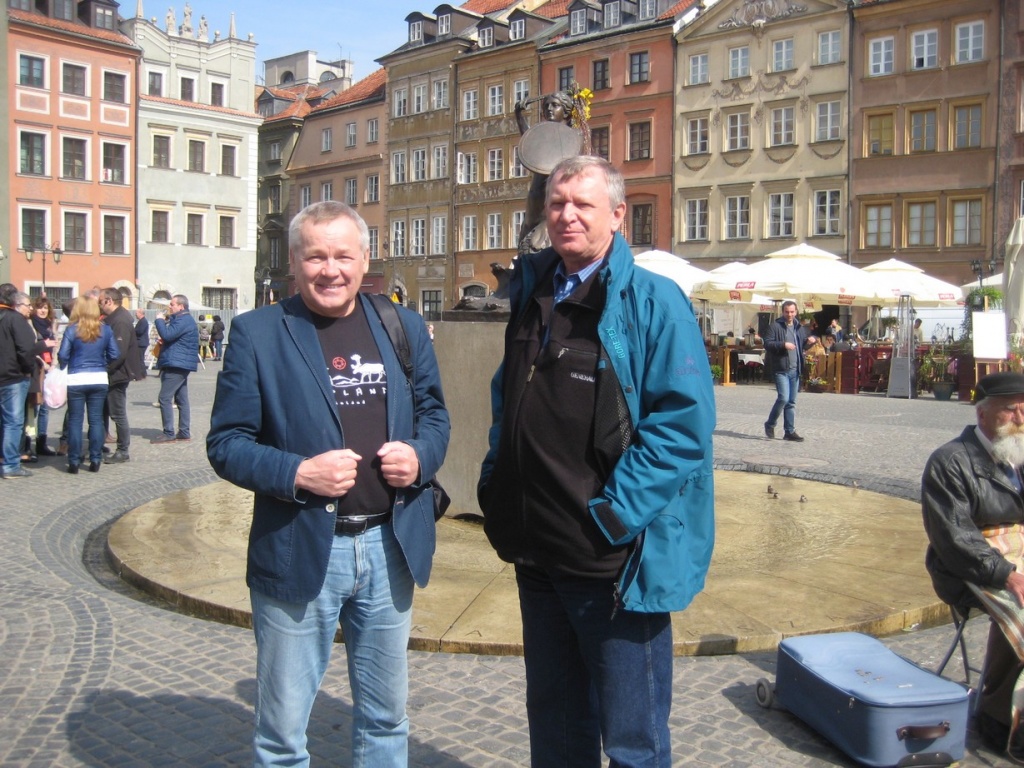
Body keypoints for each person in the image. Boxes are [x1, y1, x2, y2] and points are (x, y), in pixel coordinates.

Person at [478, 156, 715, 767]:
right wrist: (496, 483)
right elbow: (510, 398)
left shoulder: (653, 301)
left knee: (634, 738)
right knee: (556, 727)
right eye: (557, 204)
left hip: (611, 561)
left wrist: (612, 517)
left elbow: (682, 429)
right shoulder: (533, 288)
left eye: (583, 204)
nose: (567, 215)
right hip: (537, 549)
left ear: (616, 215)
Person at [207, 200, 450, 767]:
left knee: (387, 719)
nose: (330, 269)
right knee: (283, 732)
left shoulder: (402, 325)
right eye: (316, 256)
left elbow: (436, 416)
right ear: (294, 262)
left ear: (365, 260)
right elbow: (226, 444)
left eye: (344, 255)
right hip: (300, 545)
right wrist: (297, 472)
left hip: (390, 546)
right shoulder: (258, 332)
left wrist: (419, 458)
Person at [922, 371, 1024, 762]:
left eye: (1023, 408)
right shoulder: (950, 461)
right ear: (982, 414)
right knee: (1020, 603)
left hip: (1015, 553)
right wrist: (1007, 574)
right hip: (967, 567)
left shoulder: (1019, 453)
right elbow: (954, 538)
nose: (1018, 417)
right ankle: (999, 721)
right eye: (1009, 409)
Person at [58, 296, 119, 474]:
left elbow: (62, 355)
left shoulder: (72, 330)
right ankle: (95, 459)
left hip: (77, 377)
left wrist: (66, 365)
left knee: (75, 421)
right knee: (96, 420)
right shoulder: (105, 329)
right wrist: (102, 364)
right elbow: (115, 353)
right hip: (99, 377)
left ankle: (74, 461)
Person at [99, 289, 143, 464]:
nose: (98, 305)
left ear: (109, 301)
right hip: (112, 373)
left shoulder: (120, 321)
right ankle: (100, 443)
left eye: (100, 301)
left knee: (117, 413)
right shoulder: (115, 318)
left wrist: (105, 370)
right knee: (103, 410)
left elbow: (118, 353)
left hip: (117, 374)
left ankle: (123, 449)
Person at [763, 300, 817, 442]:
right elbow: (767, 344)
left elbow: (801, 347)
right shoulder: (775, 326)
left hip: (795, 369)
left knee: (791, 402)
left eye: (792, 312)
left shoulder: (799, 327)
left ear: (796, 312)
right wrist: (783, 344)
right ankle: (770, 424)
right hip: (781, 368)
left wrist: (810, 342)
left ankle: (789, 431)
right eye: (787, 312)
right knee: (783, 398)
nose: (790, 314)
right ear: (783, 312)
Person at [0, 285, 37, 478]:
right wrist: (28, 369)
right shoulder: (15, 319)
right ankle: (10, 465)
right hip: (13, 377)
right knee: (13, 422)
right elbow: (26, 349)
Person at [151, 295, 198, 444]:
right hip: (179, 362)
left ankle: (169, 433)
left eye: (172, 304)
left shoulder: (183, 320)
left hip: (177, 364)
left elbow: (168, 334)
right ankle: (184, 431)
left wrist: (159, 320)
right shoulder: (182, 320)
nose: (169, 307)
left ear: (181, 307)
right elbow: (172, 337)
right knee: (181, 399)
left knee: (164, 398)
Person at [29, 297, 58, 456]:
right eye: (40, 307)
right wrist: (42, 362)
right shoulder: (32, 324)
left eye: (45, 308)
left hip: (48, 370)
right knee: (35, 407)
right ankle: (27, 442)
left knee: (45, 408)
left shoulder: (49, 325)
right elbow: (31, 348)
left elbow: (55, 346)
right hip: (36, 369)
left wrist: (53, 363)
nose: (43, 310)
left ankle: (42, 442)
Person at [134, 309, 149, 376]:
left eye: (136, 313)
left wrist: (133, 331)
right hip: (141, 342)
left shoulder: (143, 321)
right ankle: (142, 373)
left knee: (140, 358)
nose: (135, 314)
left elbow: (140, 331)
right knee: (139, 358)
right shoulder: (141, 321)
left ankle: (142, 373)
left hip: (141, 342)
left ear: (140, 313)